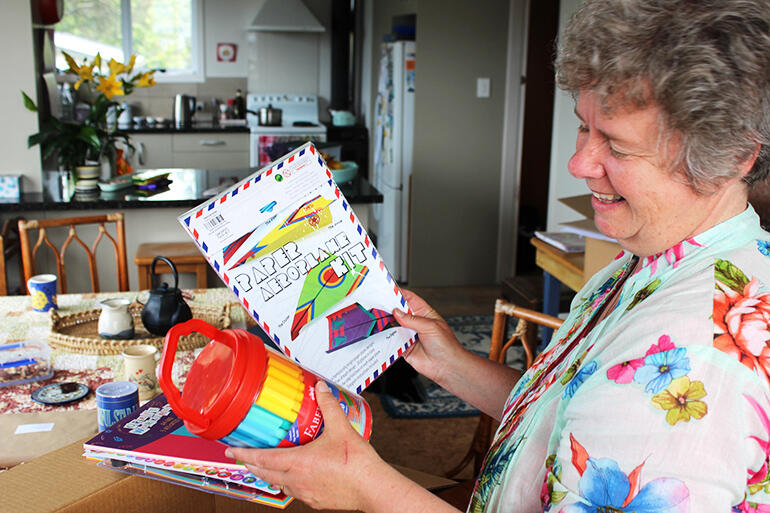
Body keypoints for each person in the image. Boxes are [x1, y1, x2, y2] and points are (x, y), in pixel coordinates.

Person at [227, 0, 770, 510]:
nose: (579, 163)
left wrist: (365, 487)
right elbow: (566, 416)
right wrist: (450, 364)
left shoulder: (698, 367)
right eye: (584, 126)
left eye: (618, 146)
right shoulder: (663, 258)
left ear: (730, 157)